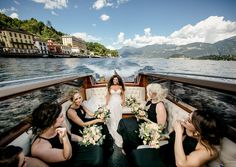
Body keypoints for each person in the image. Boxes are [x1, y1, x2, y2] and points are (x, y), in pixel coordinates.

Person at [130, 108, 223, 167]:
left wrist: (179, 133)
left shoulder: (207, 150)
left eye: (189, 121)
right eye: (188, 116)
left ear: (198, 130)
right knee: (135, 154)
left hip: (168, 164)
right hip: (161, 153)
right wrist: (158, 138)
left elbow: (181, 164)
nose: (185, 120)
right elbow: (170, 138)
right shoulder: (185, 128)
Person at [31, 102, 103, 167]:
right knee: (96, 159)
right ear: (51, 122)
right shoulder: (39, 148)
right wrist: (64, 137)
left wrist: (84, 140)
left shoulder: (58, 126)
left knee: (97, 147)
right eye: (61, 117)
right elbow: (67, 156)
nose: (63, 119)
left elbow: (71, 136)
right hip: (70, 161)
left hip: (75, 149)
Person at [118, 83, 168, 155]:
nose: (148, 93)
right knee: (123, 121)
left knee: (130, 130)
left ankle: (131, 151)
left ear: (155, 93)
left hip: (151, 128)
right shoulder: (150, 100)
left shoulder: (160, 106)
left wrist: (145, 119)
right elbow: (146, 111)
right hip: (143, 121)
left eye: (150, 91)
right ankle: (127, 146)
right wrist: (139, 113)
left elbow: (160, 127)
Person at [66, 89, 114, 158]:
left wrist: (100, 114)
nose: (79, 100)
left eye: (80, 97)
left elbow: (91, 114)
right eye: (76, 99)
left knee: (102, 123)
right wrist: (97, 120)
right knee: (99, 124)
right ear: (72, 100)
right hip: (80, 128)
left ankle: (106, 143)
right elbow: (82, 124)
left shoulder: (80, 105)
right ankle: (104, 148)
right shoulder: (71, 111)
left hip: (85, 121)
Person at [106, 74, 125, 148]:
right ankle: (113, 130)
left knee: (118, 117)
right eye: (114, 80)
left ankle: (119, 128)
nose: (115, 81)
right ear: (112, 80)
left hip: (118, 102)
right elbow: (108, 96)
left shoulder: (121, 87)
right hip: (112, 102)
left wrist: (123, 102)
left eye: (116, 80)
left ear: (118, 80)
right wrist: (106, 104)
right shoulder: (110, 87)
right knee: (112, 117)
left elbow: (123, 96)